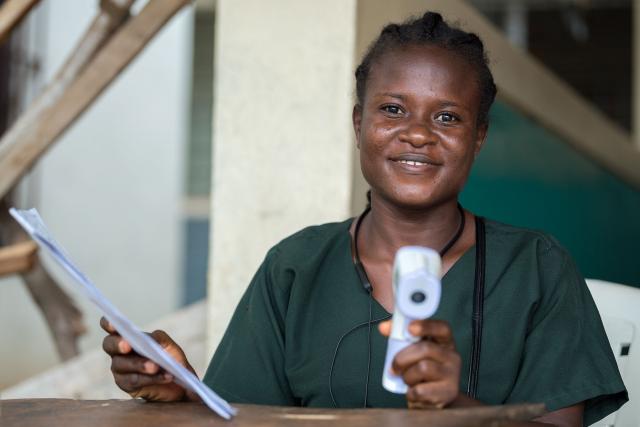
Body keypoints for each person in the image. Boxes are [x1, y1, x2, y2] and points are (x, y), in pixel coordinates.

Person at [101, 12, 627, 426]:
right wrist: (188, 391)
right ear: (359, 124)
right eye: (393, 110)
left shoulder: (536, 267)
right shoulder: (296, 266)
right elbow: (246, 419)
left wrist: (457, 410)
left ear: (479, 137)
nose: (418, 133)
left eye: (447, 117)